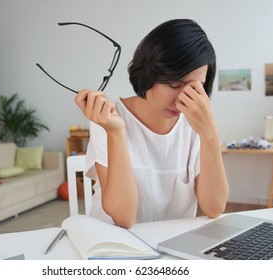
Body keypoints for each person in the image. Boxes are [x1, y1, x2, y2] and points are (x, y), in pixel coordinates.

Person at [75, 19, 229, 228]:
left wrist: (210, 135)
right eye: (175, 84)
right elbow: (124, 218)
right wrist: (116, 134)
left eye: (196, 87)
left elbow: (214, 208)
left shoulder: (195, 124)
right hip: (116, 246)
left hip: (174, 248)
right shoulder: (108, 120)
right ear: (148, 74)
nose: (184, 99)